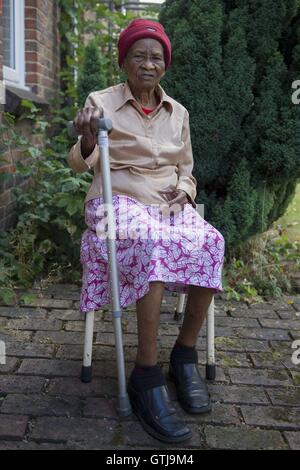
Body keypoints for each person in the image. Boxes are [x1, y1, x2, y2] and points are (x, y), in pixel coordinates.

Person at [68, 18, 225, 444]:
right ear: (124, 61)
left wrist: (185, 193)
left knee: (211, 241)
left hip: (166, 203)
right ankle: (146, 371)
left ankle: (185, 353)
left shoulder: (180, 114)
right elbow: (78, 163)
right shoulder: (100, 103)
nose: (148, 63)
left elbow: (188, 169)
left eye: (156, 57)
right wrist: (84, 137)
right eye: (139, 55)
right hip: (116, 203)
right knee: (150, 243)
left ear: (165, 65)